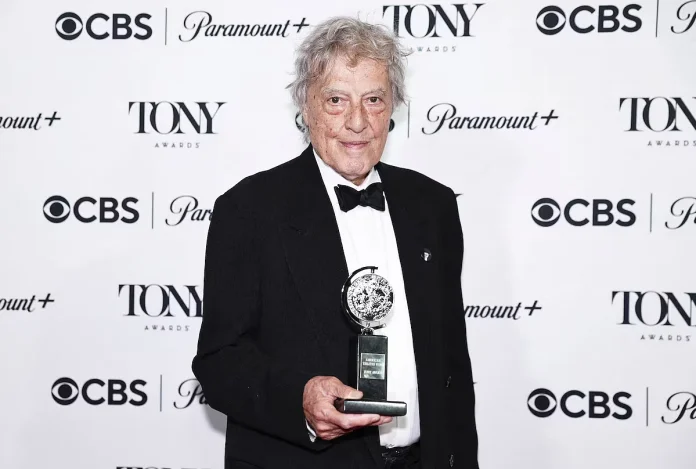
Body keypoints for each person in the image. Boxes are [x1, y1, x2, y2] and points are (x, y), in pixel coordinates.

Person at [193, 16, 479, 469]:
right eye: (336, 100)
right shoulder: (250, 210)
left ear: (393, 107)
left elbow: (452, 366)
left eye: (373, 99)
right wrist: (300, 398)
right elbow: (218, 361)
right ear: (306, 107)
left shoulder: (433, 206)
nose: (357, 122)